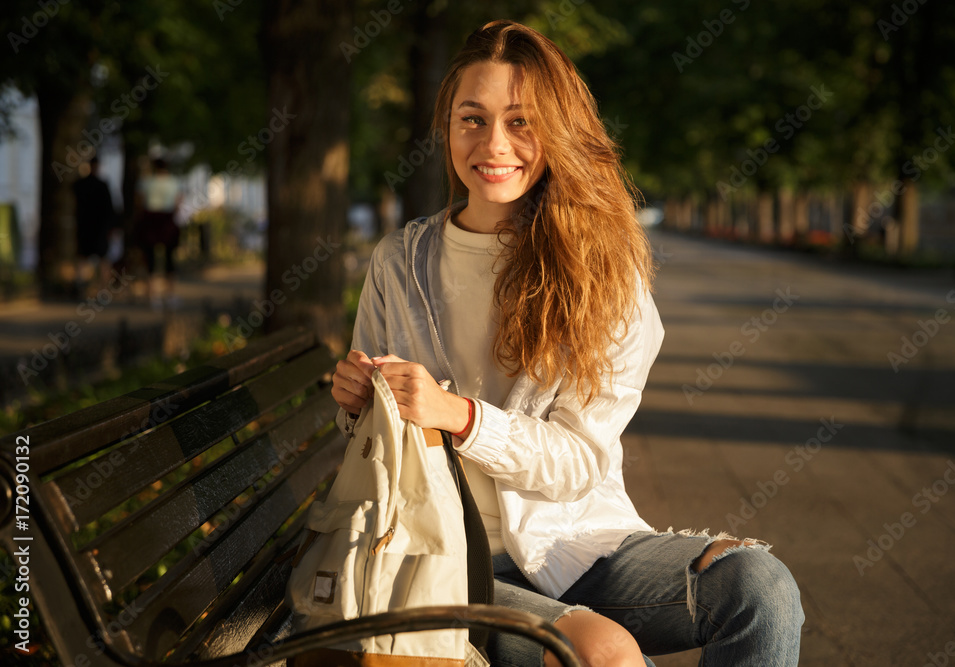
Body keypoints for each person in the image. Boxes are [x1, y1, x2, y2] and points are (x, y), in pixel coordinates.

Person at [331, 20, 804, 667]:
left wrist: (461, 416)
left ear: (557, 130)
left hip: (577, 547)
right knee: (601, 653)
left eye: (521, 121)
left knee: (761, 588)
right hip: (438, 554)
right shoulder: (400, 261)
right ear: (446, 126)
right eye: (472, 119)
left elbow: (580, 458)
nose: (494, 142)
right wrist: (358, 399)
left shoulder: (602, 269)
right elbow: (367, 437)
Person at [136, 157, 182, 307]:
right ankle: (170, 294)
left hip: (150, 218)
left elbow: (140, 201)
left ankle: (153, 295)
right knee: (169, 257)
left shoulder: (146, 182)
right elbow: (178, 202)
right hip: (167, 218)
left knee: (150, 257)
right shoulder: (173, 182)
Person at [72, 156, 115, 297]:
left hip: (86, 227)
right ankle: (102, 290)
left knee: (84, 258)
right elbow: (110, 209)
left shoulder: (81, 185)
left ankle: (82, 289)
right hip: (98, 228)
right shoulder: (102, 185)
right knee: (101, 259)